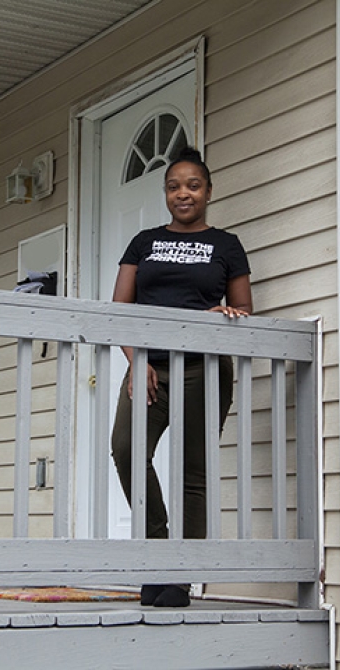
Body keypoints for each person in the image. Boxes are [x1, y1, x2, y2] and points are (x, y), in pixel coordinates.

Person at [110, 146, 253, 608]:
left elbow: (243, 308)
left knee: (194, 472)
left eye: (192, 185)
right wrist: (138, 360)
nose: (183, 193)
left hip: (203, 369)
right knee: (127, 450)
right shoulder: (143, 241)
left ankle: (180, 578)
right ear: (166, 193)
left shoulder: (226, 245)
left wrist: (228, 314)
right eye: (174, 186)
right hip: (151, 365)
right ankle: (159, 551)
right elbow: (120, 309)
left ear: (208, 191)